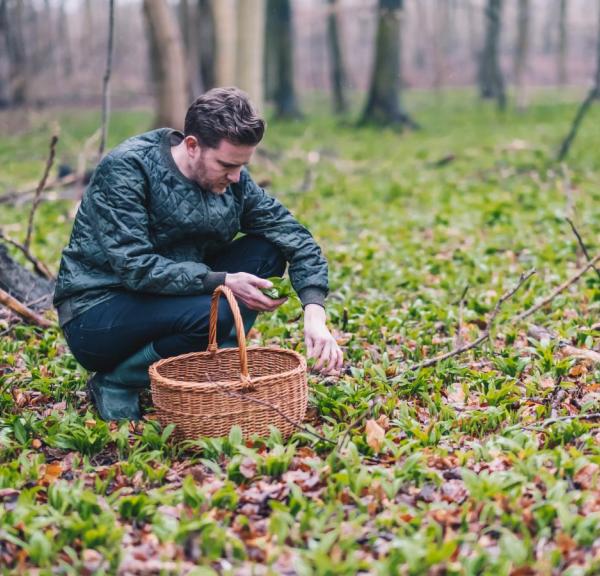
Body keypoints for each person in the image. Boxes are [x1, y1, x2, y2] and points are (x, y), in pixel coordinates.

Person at [54, 87, 343, 421]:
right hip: (99, 313)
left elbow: (295, 237)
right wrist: (222, 281)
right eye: (226, 164)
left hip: (175, 295)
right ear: (192, 146)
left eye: (242, 165)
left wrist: (314, 312)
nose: (236, 177)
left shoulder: (235, 180)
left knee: (269, 249)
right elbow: (135, 266)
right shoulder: (127, 169)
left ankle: (216, 359)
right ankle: (118, 382)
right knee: (214, 312)